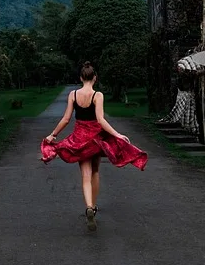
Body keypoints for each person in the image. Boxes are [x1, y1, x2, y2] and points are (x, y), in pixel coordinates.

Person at [41, 61, 148, 231]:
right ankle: (94, 206)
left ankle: (89, 207)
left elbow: (66, 119)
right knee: (96, 171)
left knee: (85, 175)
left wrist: (53, 134)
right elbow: (100, 120)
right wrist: (117, 134)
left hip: (79, 139)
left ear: (81, 77)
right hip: (95, 139)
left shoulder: (73, 95)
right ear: (95, 78)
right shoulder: (97, 95)